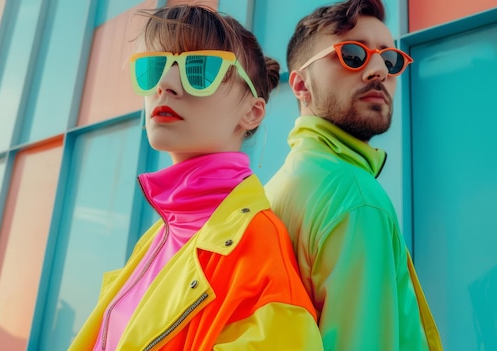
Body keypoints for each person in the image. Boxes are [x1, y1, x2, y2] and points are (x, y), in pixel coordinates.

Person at [68, 5, 323, 351]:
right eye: (154, 67)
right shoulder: (159, 235)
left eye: (199, 70)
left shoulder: (258, 248)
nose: (165, 85)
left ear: (252, 111)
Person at [265, 0, 442, 350]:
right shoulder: (354, 198)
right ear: (301, 86)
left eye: (390, 59)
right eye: (353, 54)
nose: (379, 71)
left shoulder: (277, 188)